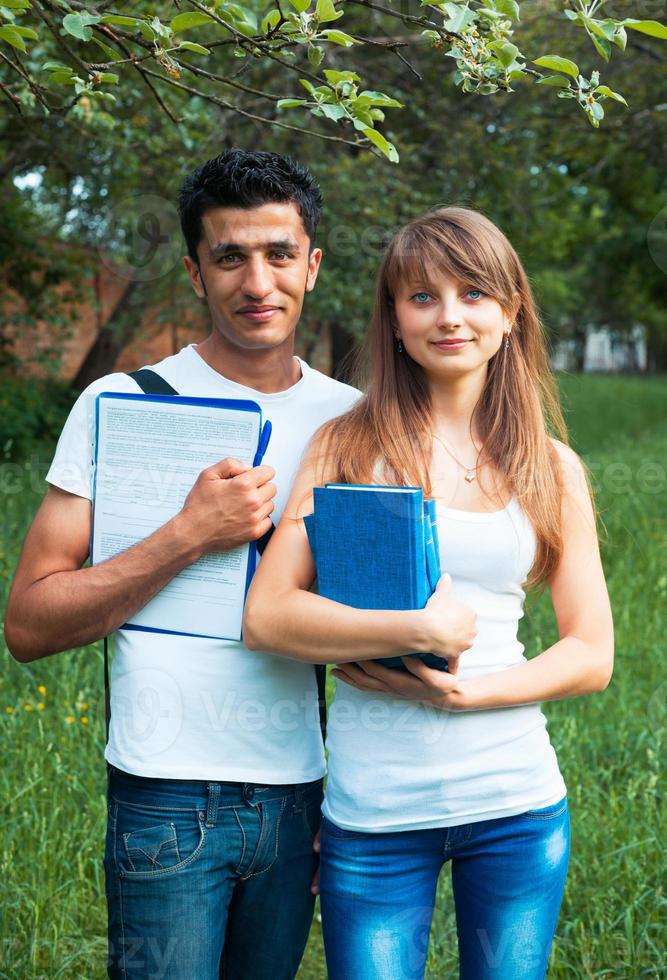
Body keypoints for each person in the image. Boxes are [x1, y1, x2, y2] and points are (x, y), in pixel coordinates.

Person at [5, 149, 360, 980]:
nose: (256, 281)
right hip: (163, 796)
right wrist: (188, 534)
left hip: (300, 790)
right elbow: (28, 624)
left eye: (278, 254)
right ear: (195, 272)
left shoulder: (353, 421)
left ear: (312, 265)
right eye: (229, 256)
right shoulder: (120, 404)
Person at [243, 206, 615, 980]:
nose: (449, 316)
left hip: (515, 803)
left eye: (473, 294)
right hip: (375, 812)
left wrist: (468, 697)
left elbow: (590, 654)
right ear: (394, 320)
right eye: (422, 297)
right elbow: (269, 615)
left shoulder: (552, 467)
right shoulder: (348, 447)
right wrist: (417, 627)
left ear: (509, 314)